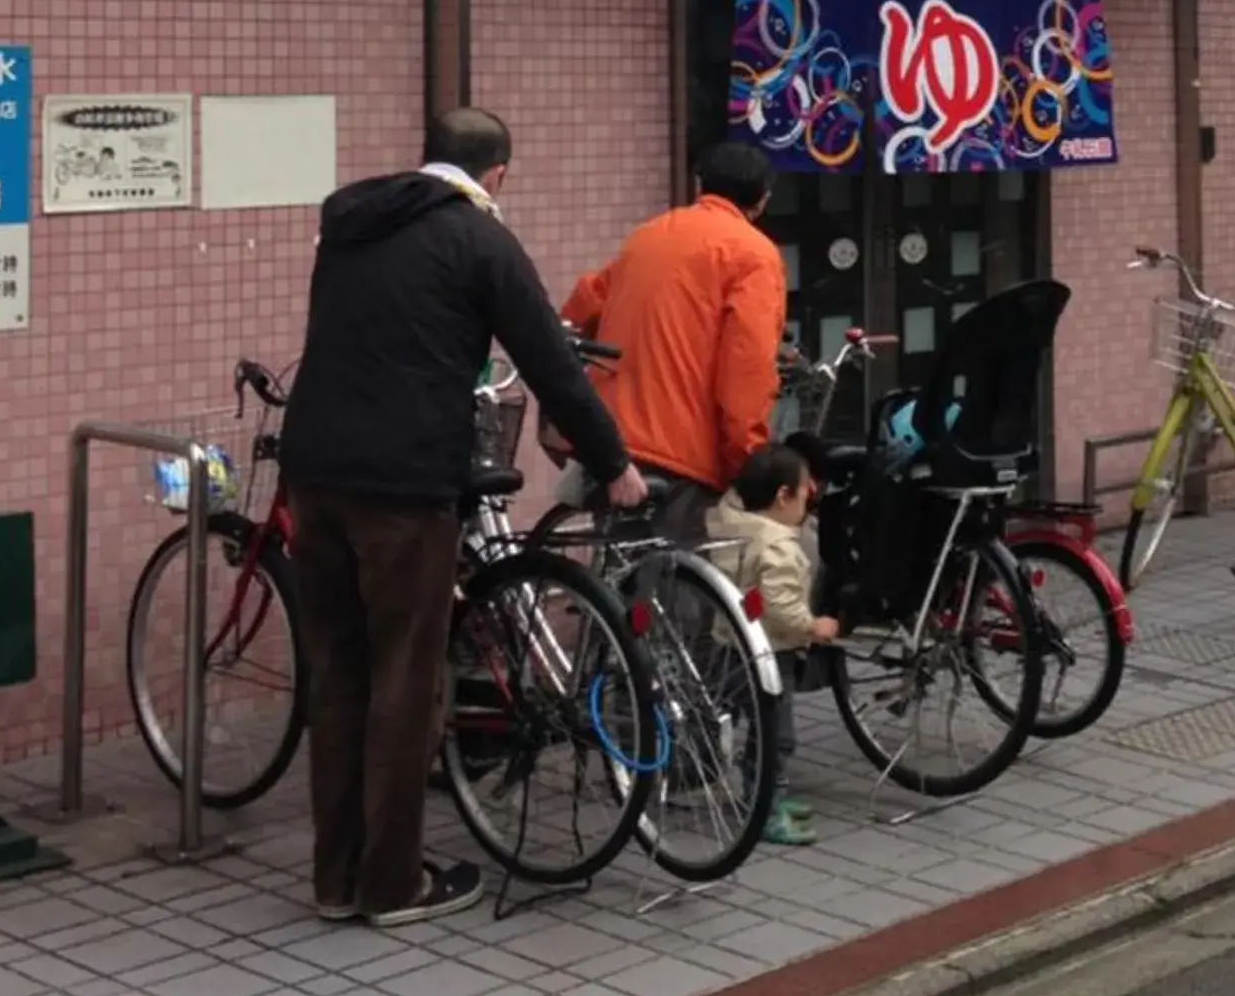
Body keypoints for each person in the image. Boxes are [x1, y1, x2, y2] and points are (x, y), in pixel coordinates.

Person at [280, 107, 640, 927]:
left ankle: (334, 879)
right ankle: (392, 884)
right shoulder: (480, 241)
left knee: (338, 673)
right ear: (498, 175)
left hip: (314, 471)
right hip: (403, 487)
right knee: (404, 679)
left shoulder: (352, 220)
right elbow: (551, 364)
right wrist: (613, 465)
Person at [560, 141, 788, 551]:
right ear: (762, 199)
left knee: (619, 581)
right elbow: (746, 368)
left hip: (612, 442)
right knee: (676, 593)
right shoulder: (753, 254)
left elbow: (580, 308)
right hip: (682, 453)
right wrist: (746, 461)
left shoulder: (648, 236)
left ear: (700, 184)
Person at [710, 441, 838, 846]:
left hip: (730, 643)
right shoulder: (778, 546)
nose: (809, 501)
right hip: (771, 653)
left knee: (737, 715)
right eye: (806, 493)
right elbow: (781, 606)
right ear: (783, 496)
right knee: (776, 738)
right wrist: (813, 626)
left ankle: (754, 794)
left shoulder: (731, 525)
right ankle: (766, 810)